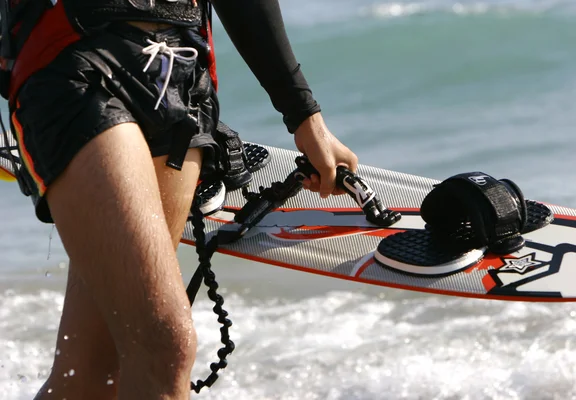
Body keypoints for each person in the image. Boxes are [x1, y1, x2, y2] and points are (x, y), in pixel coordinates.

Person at [2, 0, 358, 398]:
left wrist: (304, 114)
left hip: (182, 69)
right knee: (164, 347)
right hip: (73, 57)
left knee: (91, 373)